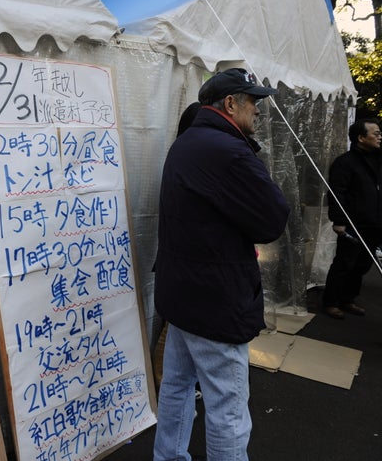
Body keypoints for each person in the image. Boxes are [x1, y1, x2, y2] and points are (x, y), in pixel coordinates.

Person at [153, 67, 290, 461]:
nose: (259, 111)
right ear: (230, 104)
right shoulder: (227, 150)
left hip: (182, 293)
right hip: (214, 299)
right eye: (254, 102)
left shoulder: (188, 142)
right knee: (227, 408)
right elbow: (272, 219)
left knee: (178, 388)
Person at [322, 119, 382, 319]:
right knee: (344, 263)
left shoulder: (376, 160)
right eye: (375, 134)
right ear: (361, 138)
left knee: (362, 264)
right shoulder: (344, 163)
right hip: (352, 222)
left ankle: (348, 299)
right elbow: (337, 193)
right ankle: (331, 302)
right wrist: (339, 221)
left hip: (373, 222)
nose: (379, 137)